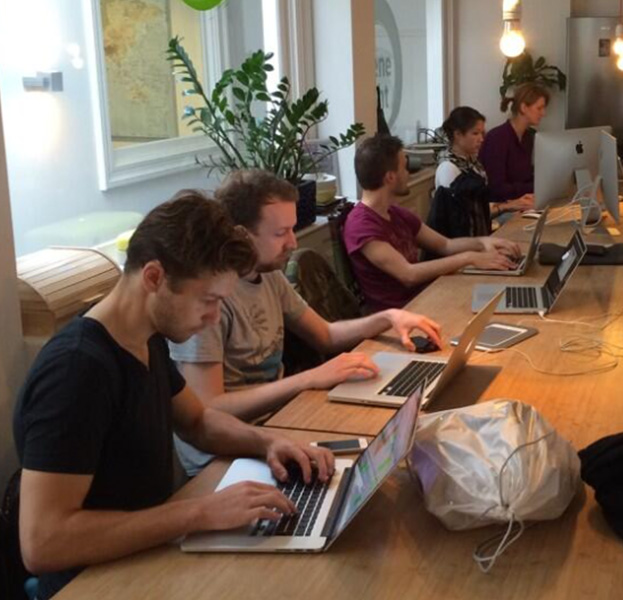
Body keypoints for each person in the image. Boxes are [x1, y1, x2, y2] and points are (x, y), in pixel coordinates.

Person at [13, 192, 335, 600]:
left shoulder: (146, 338)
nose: (215, 317)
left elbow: (198, 422)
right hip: (96, 583)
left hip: (149, 557)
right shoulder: (78, 371)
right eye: (208, 301)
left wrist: (271, 441)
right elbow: (43, 543)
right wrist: (200, 512)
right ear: (153, 278)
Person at [169, 170, 442, 475]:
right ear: (242, 235)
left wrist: (389, 317)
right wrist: (308, 378)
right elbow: (208, 407)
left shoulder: (269, 274)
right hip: (224, 458)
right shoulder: (208, 300)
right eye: (280, 233)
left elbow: (324, 334)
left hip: (279, 422)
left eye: (292, 229)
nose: (292, 242)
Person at [344, 134, 521, 312]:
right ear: (390, 177)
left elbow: (445, 244)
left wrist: (483, 243)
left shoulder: (395, 212)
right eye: (404, 168)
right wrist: (470, 258)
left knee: (498, 297)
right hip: (402, 316)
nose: (408, 173)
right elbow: (408, 274)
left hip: (428, 298)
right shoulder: (362, 226)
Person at [433, 106, 535, 235]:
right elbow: (466, 216)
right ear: (458, 134)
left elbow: (479, 203)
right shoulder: (448, 168)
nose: (481, 139)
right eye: (475, 133)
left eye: (482, 133)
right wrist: (506, 207)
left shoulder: (472, 161)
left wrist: (515, 203)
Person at [478, 83, 549, 207]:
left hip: (522, 203)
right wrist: (535, 187)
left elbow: (526, 177)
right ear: (523, 108)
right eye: (539, 108)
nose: (544, 113)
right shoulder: (497, 138)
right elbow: (496, 188)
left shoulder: (529, 137)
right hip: (501, 207)